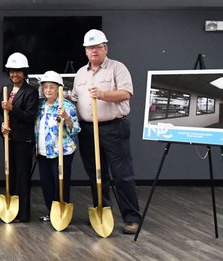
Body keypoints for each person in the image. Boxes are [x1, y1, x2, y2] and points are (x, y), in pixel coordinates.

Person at [71, 29, 141, 234]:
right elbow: (76, 99)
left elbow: (126, 93)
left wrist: (102, 94)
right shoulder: (81, 73)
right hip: (86, 130)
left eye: (97, 47)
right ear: (85, 51)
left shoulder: (117, 68)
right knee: (96, 174)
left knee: (122, 175)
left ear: (105, 48)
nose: (93, 50)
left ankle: (131, 218)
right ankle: (102, 212)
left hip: (113, 128)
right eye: (90, 47)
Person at [0, 52, 39, 222]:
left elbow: (29, 116)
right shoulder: (5, 89)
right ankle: (11, 209)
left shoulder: (31, 92)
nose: (14, 75)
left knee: (22, 176)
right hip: (9, 138)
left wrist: (12, 108)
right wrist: (2, 125)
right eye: (12, 71)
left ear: (24, 72)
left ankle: (23, 213)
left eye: (18, 71)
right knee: (10, 174)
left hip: (23, 140)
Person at [32, 71, 80, 221]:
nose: (47, 90)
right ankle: (51, 212)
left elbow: (75, 129)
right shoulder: (39, 105)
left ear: (59, 88)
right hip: (42, 151)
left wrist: (66, 118)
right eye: (45, 87)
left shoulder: (66, 106)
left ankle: (63, 212)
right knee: (46, 183)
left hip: (61, 152)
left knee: (60, 182)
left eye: (51, 87)